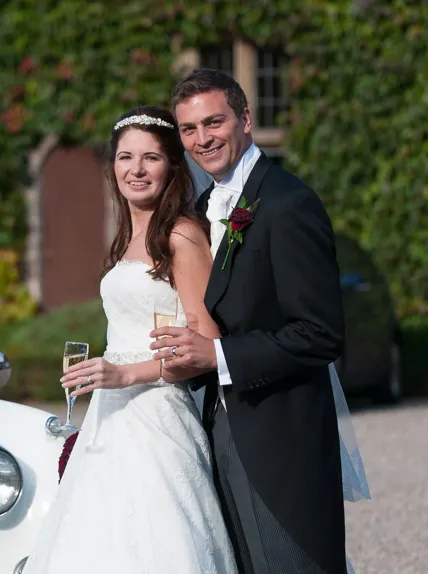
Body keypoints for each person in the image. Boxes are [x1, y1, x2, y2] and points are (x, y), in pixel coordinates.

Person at [148, 68, 351, 573]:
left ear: (245, 119)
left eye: (213, 123)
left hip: (283, 440)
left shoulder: (288, 203)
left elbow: (320, 333)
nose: (201, 140)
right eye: (189, 130)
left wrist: (217, 356)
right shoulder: (198, 208)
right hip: (219, 427)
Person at [22, 106, 238, 574]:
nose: (135, 169)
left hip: (157, 417)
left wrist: (124, 372)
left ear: (172, 167)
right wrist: (107, 374)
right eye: (125, 157)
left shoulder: (181, 235)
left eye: (150, 158)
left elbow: (207, 344)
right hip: (109, 416)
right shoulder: (126, 237)